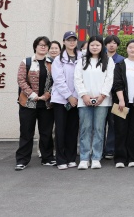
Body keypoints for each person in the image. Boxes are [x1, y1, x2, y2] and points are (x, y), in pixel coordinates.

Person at [74, 35, 115, 169]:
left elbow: (109, 79)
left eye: (97, 45)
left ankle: (96, 157)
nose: (95, 47)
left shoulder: (108, 61)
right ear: (88, 46)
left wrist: (102, 96)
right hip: (84, 101)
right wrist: (84, 95)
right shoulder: (82, 61)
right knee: (85, 129)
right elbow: (77, 79)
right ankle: (84, 158)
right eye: (92, 45)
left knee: (99, 129)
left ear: (102, 46)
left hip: (102, 101)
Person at [15, 36, 55, 170]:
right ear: (35, 47)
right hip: (28, 104)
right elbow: (21, 80)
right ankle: (22, 160)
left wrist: (47, 95)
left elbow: (57, 81)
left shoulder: (52, 63)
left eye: (45, 45)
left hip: (46, 104)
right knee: (26, 132)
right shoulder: (26, 62)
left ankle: (47, 158)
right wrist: (32, 94)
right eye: (40, 45)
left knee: (46, 133)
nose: (43, 47)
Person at [111, 39, 134, 168]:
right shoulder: (120, 64)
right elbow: (117, 83)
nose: (132, 49)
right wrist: (121, 99)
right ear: (126, 49)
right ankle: (120, 158)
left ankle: (132, 158)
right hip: (120, 103)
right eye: (130, 47)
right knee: (120, 130)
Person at [51, 31, 81, 170]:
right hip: (61, 100)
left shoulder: (82, 57)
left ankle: (71, 158)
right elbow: (58, 80)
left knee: (73, 130)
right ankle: (61, 159)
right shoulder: (58, 59)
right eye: (69, 40)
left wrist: (75, 96)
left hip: (77, 99)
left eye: (74, 40)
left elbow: (81, 78)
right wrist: (69, 96)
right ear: (64, 42)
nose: (71, 42)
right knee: (61, 130)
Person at [103, 35, 124, 160]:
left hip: (117, 97)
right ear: (105, 45)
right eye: (109, 43)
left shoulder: (122, 60)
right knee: (100, 124)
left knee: (115, 123)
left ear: (117, 45)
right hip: (101, 97)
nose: (111, 45)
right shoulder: (100, 58)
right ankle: (99, 149)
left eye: (114, 43)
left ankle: (111, 149)